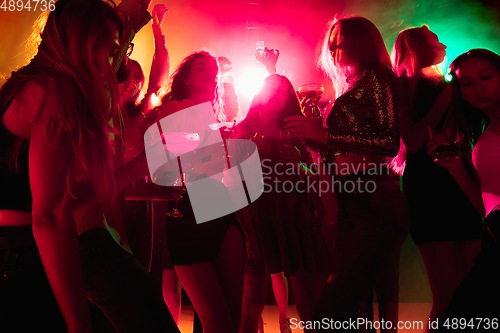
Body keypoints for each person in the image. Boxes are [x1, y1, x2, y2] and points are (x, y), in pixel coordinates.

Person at [1, 1, 181, 332]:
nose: (121, 60)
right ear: (86, 43)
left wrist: (145, 161)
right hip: (26, 255)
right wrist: (77, 324)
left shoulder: (26, 84)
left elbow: (65, 199)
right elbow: (50, 215)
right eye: (114, 48)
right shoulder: (60, 90)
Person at [284, 16, 410, 331]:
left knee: (333, 307)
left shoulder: (379, 79)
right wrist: (316, 146)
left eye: (341, 40)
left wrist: (327, 137)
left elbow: (388, 143)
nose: (333, 46)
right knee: (351, 313)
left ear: (362, 42)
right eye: (331, 41)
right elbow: (344, 153)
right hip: (351, 204)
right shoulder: (353, 84)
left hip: (377, 203)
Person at [232, 48, 330, 333]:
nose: (277, 93)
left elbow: (318, 180)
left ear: (290, 99)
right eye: (270, 87)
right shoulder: (243, 131)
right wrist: (247, 233)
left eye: (283, 90)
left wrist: (301, 165)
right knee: (250, 303)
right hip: (258, 216)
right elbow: (234, 186)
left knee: (311, 305)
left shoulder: (298, 131)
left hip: (296, 215)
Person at [391, 26, 483, 332]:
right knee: (448, 295)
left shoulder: (450, 86)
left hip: (461, 184)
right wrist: (447, 95)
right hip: (428, 192)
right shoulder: (403, 87)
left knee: (475, 290)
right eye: (435, 41)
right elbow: (415, 141)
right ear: (420, 48)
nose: (443, 45)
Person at [153, 50, 244, 333]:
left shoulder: (214, 116)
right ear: (187, 79)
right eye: (201, 68)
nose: (210, 72)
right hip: (188, 212)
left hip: (222, 208)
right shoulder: (176, 107)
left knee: (232, 318)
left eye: (213, 68)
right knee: (216, 321)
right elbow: (163, 162)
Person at [427, 49, 500, 329]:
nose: (478, 86)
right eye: (467, 83)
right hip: (493, 232)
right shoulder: (486, 126)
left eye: (487, 76)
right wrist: (456, 168)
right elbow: (486, 207)